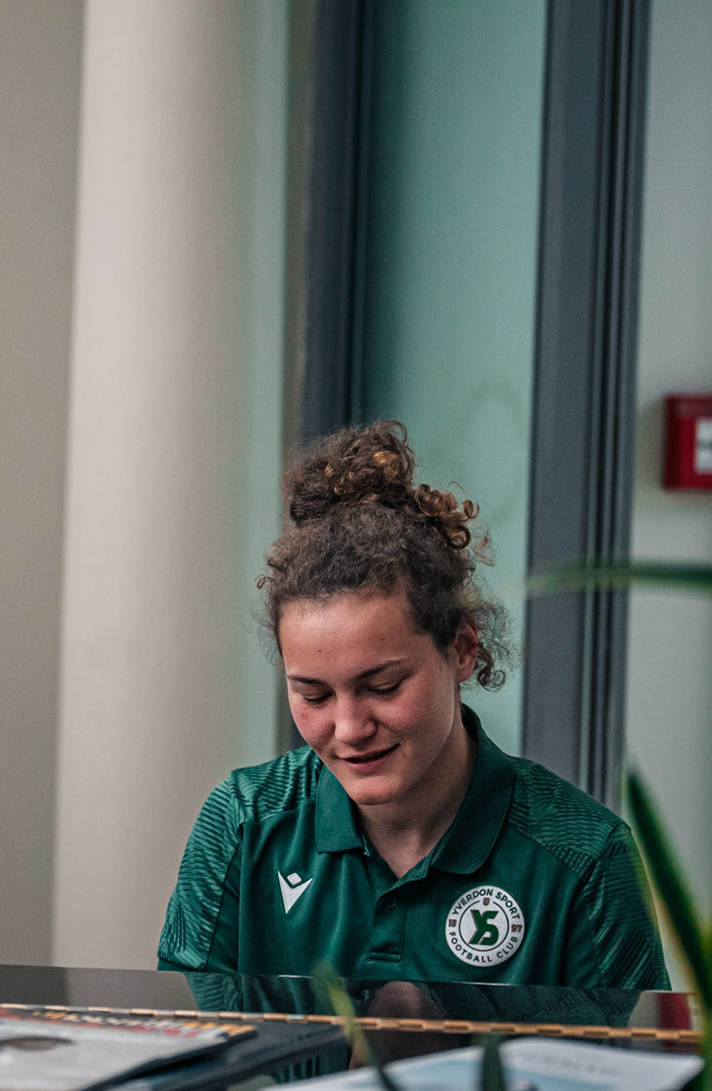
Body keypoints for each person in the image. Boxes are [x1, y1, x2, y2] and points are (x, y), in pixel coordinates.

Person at [158, 422, 666, 990]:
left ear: (463, 649)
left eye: (383, 686)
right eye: (314, 694)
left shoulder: (586, 858)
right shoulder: (243, 825)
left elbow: (631, 1049)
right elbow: (181, 1037)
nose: (349, 729)